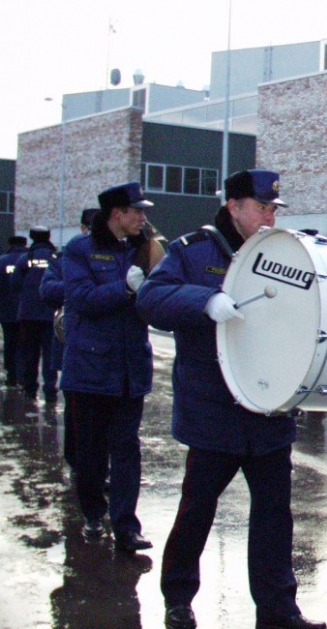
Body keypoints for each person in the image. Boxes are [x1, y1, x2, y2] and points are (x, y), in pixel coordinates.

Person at [136, 169, 327, 629]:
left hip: (268, 409)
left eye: (273, 210)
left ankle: (279, 610)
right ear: (233, 206)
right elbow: (151, 298)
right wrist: (204, 301)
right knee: (196, 514)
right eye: (261, 207)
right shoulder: (192, 252)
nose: (268, 217)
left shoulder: (283, 254)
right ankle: (178, 600)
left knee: (274, 520)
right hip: (213, 411)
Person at [60, 183, 154, 551]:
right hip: (90, 370)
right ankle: (93, 513)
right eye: (137, 211)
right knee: (91, 452)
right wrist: (125, 288)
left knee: (127, 448)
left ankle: (127, 527)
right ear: (117, 213)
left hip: (131, 368)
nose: (143, 218)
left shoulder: (144, 247)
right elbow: (81, 300)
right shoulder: (80, 250)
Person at [40, 208, 98, 472]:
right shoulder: (66, 257)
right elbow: (47, 288)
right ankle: (76, 462)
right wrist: (80, 287)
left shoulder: (119, 258)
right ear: (84, 228)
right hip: (72, 342)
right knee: (76, 410)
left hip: (105, 350)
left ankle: (98, 469)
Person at [10, 226, 58, 402]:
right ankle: (50, 389)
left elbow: (14, 284)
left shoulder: (25, 259)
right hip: (50, 314)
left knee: (30, 353)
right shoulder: (55, 258)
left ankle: (30, 389)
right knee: (49, 354)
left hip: (28, 315)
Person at [0, 235, 28, 387]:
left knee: (10, 344)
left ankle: (11, 375)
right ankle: (24, 377)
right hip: (27, 311)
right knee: (25, 344)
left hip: (7, 311)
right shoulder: (30, 260)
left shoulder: (2, 261)